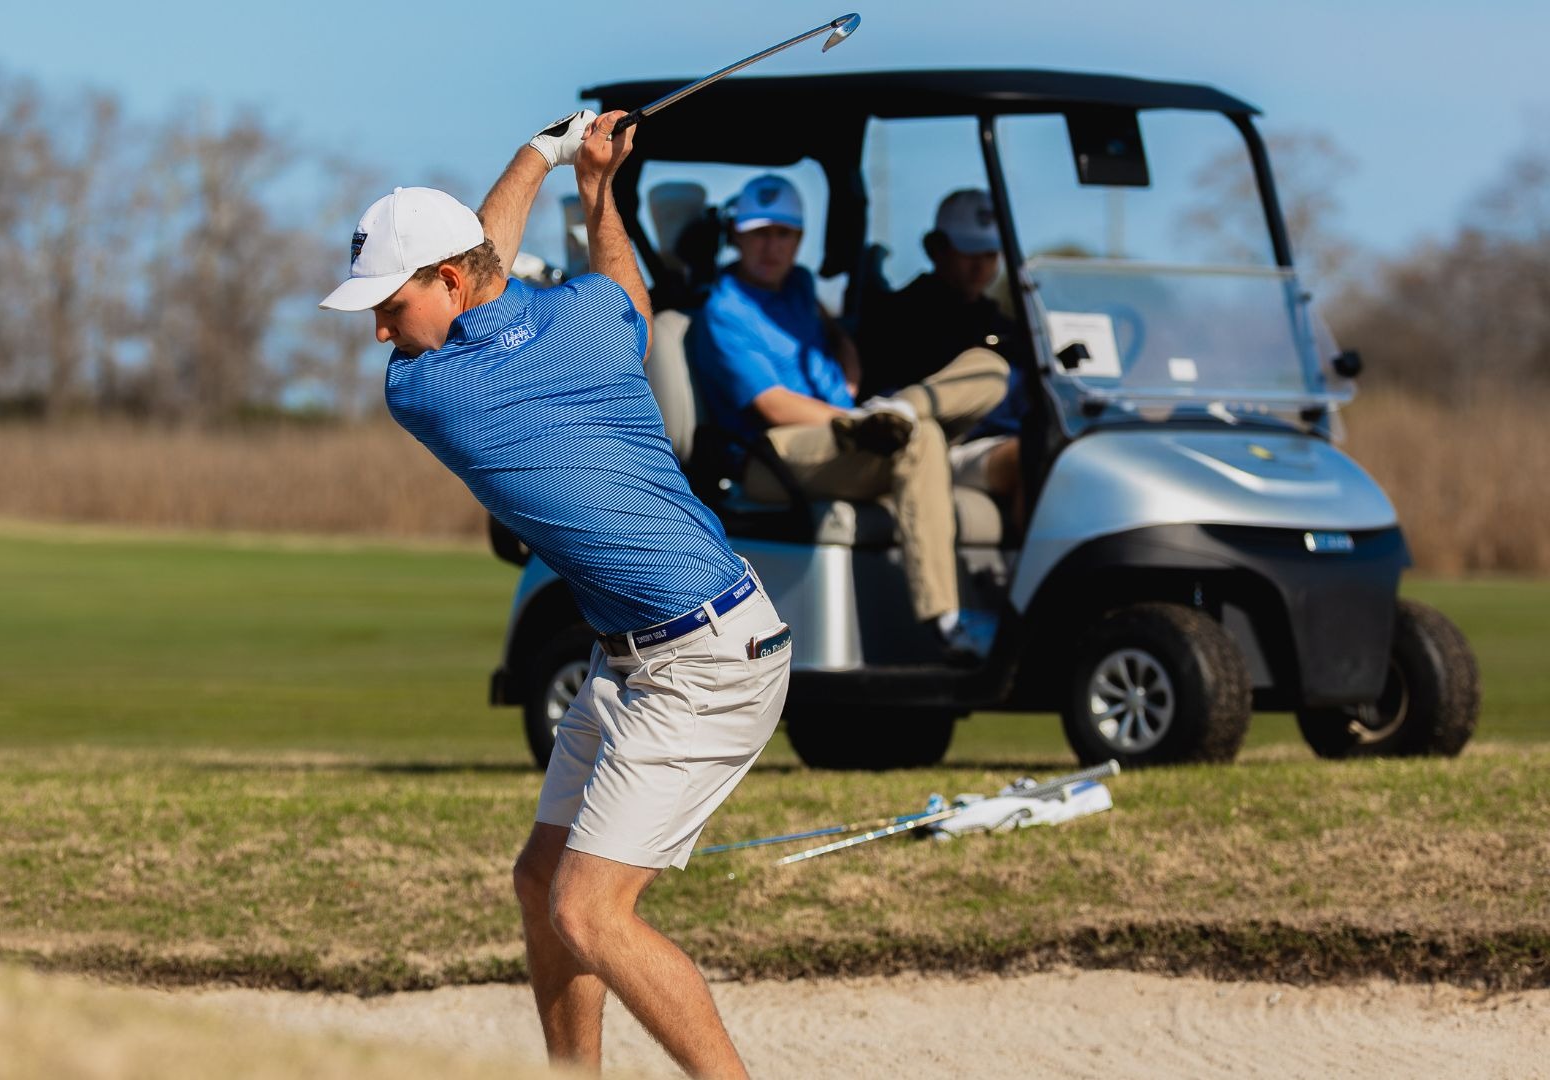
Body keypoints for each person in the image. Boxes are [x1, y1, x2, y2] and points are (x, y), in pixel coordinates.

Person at [319, 110, 791, 1080]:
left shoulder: (431, 391)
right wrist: (589, 185)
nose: (378, 329)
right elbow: (619, 281)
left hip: (706, 661)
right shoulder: (589, 320)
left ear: (450, 283)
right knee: (542, 885)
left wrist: (546, 153)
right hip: (632, 659)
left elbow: (492, 249)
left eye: (387, 303)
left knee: (589, 910)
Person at [688, 174, 1008, 655]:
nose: (771, 247)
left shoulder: (797, 286)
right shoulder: (724, 309)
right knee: (921, 441)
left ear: (799, 239)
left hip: (837, 433)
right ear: (736, 236)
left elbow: (834, 336)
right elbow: (773, 405)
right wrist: (853, 423)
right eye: (759, 234)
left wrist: (854, 379)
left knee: (990, 367)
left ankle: (903, 408)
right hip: (772, 452)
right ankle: (946, 621)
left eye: (783, 234)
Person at [858, 189, 1032, 507]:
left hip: (1000, 440)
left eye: (989, 255)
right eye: (969, 253)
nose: (980, 267)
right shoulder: (899, 319)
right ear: (936, 249)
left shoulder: (1007, 326)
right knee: (1032, 458)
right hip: (937, 445)